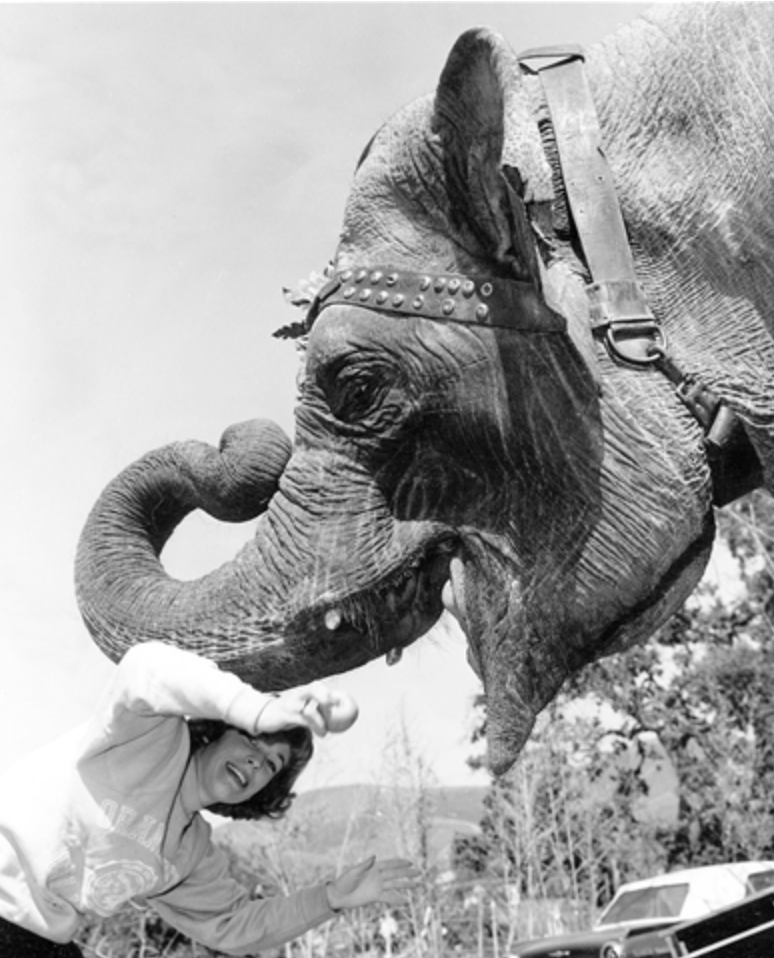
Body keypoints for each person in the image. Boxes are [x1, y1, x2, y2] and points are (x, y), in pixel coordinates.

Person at [0, 641, 418, 957]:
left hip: (40, 943)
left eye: (272, 765)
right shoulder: (151, 735)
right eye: (253, 739)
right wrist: (259, 709)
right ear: (220, 728)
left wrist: (329, 899)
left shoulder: (190, 851)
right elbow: (144, 665)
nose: (257, 762)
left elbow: (232, 924)